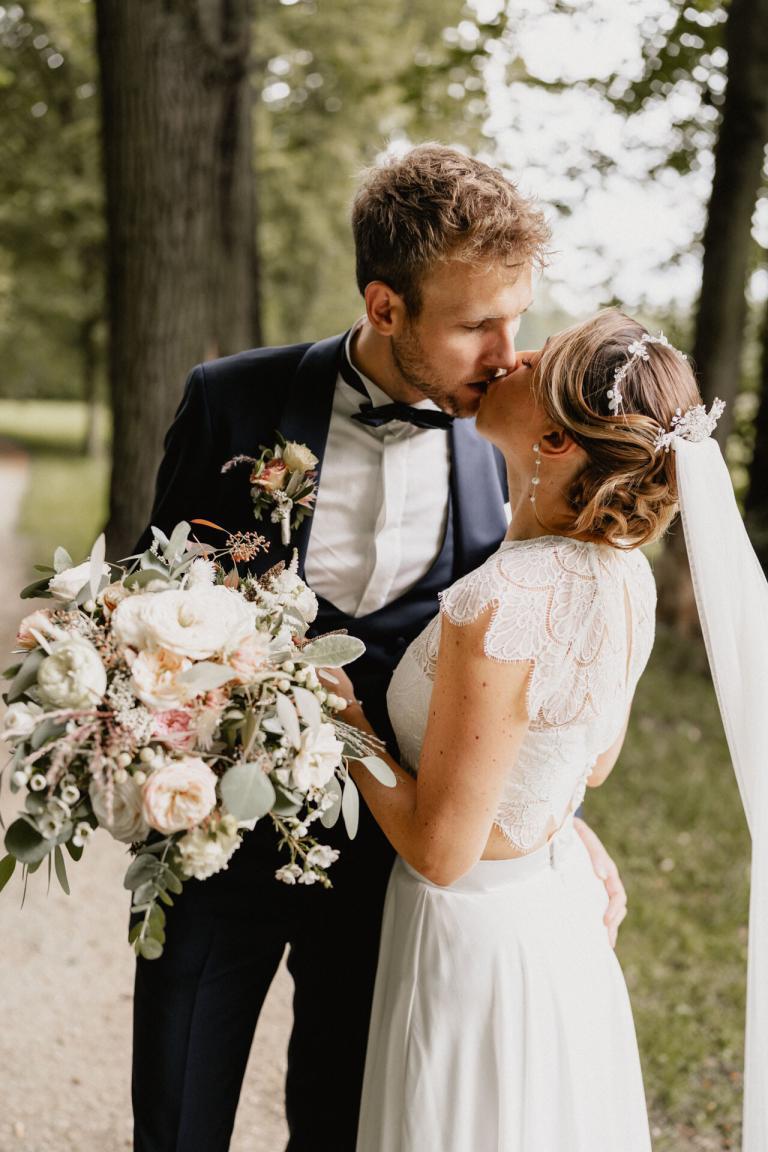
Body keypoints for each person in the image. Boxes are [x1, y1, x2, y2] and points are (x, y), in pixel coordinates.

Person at [131, 144, 629, 1152]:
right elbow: (154, 603)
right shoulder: (231, 399)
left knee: (343, 1117)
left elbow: (520, 675)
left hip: (385, 855)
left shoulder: (509, 439)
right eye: (476, 325)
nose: (508, 354)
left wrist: (550, 810)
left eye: (516, 319)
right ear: (386, 307)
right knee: (178, 1110)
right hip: (216, 836)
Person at [331, 308, 713, 1151]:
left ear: (554, 444)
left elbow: (440, 851)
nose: (513, 356)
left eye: (536, 363)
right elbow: (593, 763)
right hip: (552, 913)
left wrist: (342, 717)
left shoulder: (497, 602)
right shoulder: (626, 579)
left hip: (470, 938)